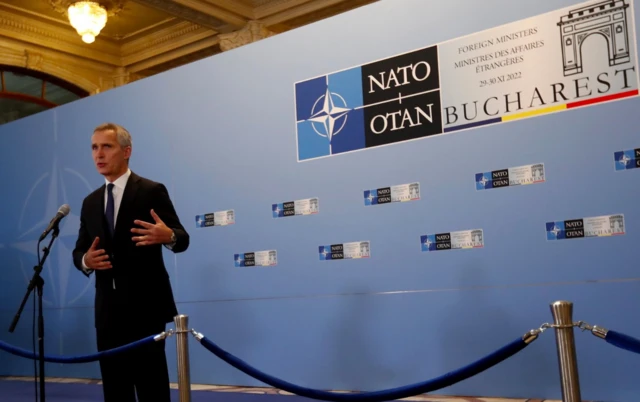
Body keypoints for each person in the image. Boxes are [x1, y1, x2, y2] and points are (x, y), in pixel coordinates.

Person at [72, 122, 189, 402]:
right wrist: (86, 261)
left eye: (107, 146)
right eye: (94, 147)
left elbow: (182, 239)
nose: (99, 154)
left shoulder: (150, 190)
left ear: (126, 151)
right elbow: (79, 252)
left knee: (151, 389)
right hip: (107, 312)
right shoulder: (89, 202)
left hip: (145, 309)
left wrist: (168, 235)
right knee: (115, 391)